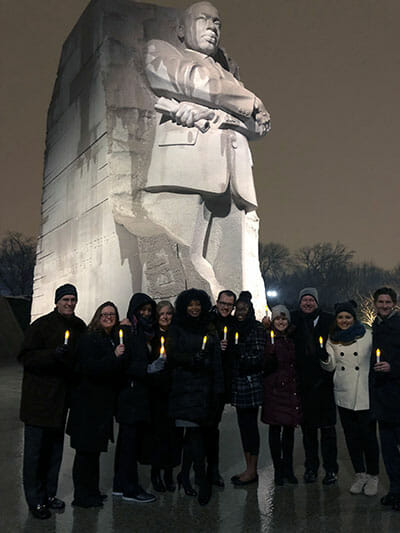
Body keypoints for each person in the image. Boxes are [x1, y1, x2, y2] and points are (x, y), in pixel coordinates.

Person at [144, 1, 270, 298]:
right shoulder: (161, 50)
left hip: (236, 178)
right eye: (204, 20)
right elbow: (191, 79)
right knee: (189, 258)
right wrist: (248, 102)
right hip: (187, 168)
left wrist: (217, 114)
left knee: (243, 275)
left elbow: (261, 125)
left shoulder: (229, 77)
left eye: (217, 23)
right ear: (180, 29)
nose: (213, 27)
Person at [18, 283, 86, 519]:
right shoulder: (41, 326)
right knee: (35, 453)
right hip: (38, 402)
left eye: (72, 300)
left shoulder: (78, 326)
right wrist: (51, 355)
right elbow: (26, 356)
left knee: (54, 452)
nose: (69, 303)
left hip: (60, 402)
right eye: (65, 299)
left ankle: (48, 494)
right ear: (57, 301)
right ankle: (35, 500)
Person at [67, 302, 127, 508]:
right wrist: (114, 356)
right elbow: (90, 368)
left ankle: (91, 491)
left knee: (93, 452)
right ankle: (82, 496)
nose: (108, 317)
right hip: (87, 406)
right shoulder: (90, 338)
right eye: (105, 314)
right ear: (97, 316)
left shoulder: (109, 338)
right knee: (85, 453)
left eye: (112, 314)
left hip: (99, 406)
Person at [167, 288, 224, 505]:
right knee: (194, 436)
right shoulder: (177, 327)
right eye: (190, 304)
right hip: (184, 391)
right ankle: (201, 479)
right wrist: (192, 360)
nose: (194, 308)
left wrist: (218, 390)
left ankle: (188, 475)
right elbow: (172, 354)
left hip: (205, 391)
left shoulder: (209, 327)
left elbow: (216, 360)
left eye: (197, 304)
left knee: (196, 437)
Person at [321, 301, 379, 495]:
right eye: (340, 317)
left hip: (364, 393)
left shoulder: (368, 335)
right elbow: (330, 367)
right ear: (336, 320)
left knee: (369, 437)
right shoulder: (332, 339)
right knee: (351, 437)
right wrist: (324, 358)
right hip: (344, 393)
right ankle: (359, 473)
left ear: (354, 318)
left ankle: (373, 475)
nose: (344, 321)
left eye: (347, 317)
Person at [113, 293, 163, 503]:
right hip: (130, 395)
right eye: (142, 310)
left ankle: (120, 484)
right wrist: (148, 368)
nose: (146, 313)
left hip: (139, 395)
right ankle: (130, 488)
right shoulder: (126, 330)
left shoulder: (143, 332)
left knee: (127, 442)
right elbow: (124, 363)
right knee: (129, 444)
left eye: (149, 310)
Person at [291, 287, 338, 485]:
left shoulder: (328, 320)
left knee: (327, 430)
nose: (308, 303)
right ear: (300, 302)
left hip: (325, 382)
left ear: (317, 303)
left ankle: (331, 469)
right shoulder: (294, 319)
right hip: (303, 383)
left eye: (311, 300)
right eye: (305, 300)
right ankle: (311, 467)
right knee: (308, 430)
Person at [262, 305, 301, 486]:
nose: (281, 322)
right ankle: (278, 469)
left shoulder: (293, 338)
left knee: (288, 431)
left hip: (290, 389)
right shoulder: (267, 337)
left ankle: (288, 467)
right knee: (275, 430)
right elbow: (264, 365)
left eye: (284, 319)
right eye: (278, 318)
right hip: (275, 390)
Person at [146, 301, 182, 493]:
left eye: (169, 313)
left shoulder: (176, 334)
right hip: (156, 392)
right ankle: (156, 473)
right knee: (158, 435)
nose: (166, 317)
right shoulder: (151, 336)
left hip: (173, 390)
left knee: (173, 435)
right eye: (162, 314)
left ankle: (169, 473)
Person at [231, 291, 265, 486]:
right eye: (238, 309)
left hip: (250, 384)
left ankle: (252, 469)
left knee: (250, 427)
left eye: (244, 309)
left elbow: (258, 356)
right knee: (243, 427)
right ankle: (248, 467)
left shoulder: (257, 328)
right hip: (238, 384)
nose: (240, 312)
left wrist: (240, 356)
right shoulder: (234, 327)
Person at [370, 287, 400, 511]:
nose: (384, 305)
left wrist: (393, 367)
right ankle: (395, 490)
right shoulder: (376, 327)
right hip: (382, 398)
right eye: (380, 302)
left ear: (394, 304)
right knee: (388, 449)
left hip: (397, 395)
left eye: (388, 302)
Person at [205, 289, 237, 487]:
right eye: (223, 303)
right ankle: (201, 468)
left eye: (229, 305)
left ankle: (213, 468)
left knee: (212, 427)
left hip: (221, 382)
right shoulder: (207, 320)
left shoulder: (233, 324)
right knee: (202, 428)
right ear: (217, 302)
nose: (225, 307)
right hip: (206, 381)